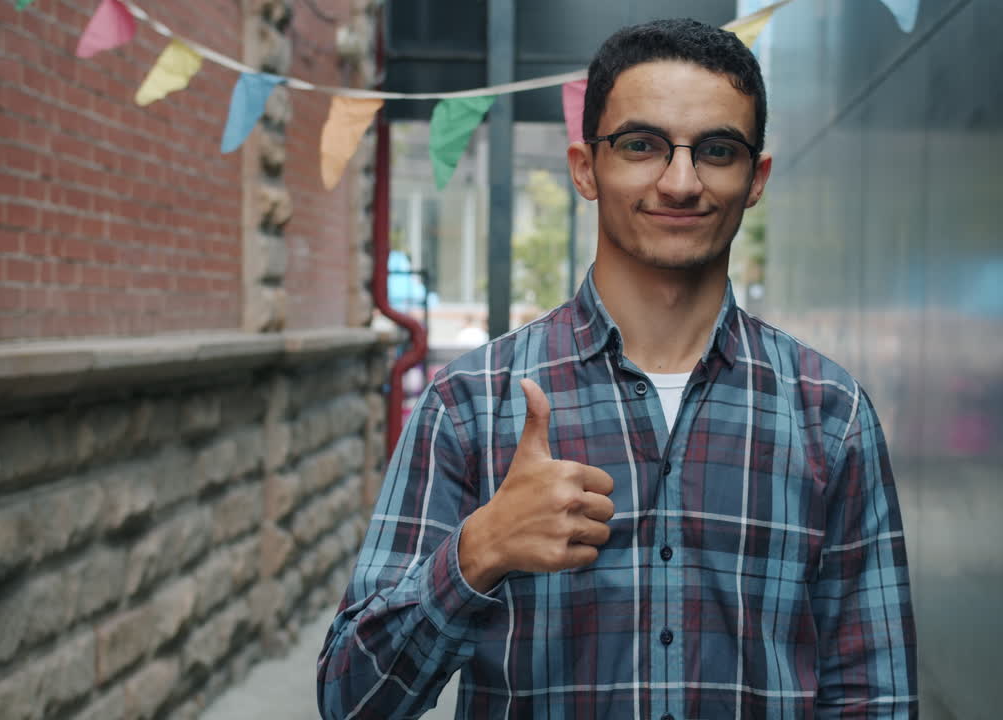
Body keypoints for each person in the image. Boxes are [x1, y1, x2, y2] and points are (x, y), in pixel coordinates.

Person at [318, 18, 916, 719]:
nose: (682, 181)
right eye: (642, 145)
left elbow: (874, 695)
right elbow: (351, 700)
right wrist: (479, 551)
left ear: (756, 180)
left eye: (716, 150)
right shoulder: (470, 405)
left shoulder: (831, 414)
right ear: (585, 167)